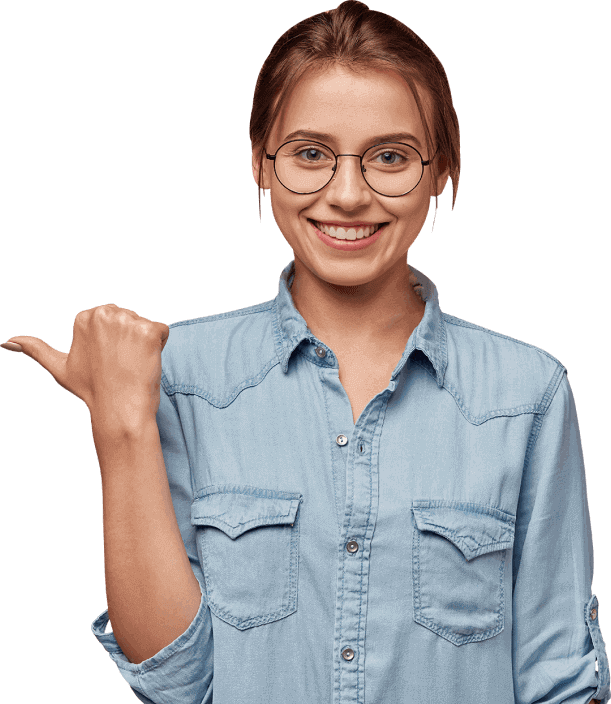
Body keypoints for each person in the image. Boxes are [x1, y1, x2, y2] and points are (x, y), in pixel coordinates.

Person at [1, 2, 608, 702]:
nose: (347, 195)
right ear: (260, 163)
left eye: (389, 157)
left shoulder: (524, 392)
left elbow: (556, 677)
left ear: (441, 171)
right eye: (310, 154)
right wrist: (120, 421)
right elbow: (170, 683)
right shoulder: (177, 373)